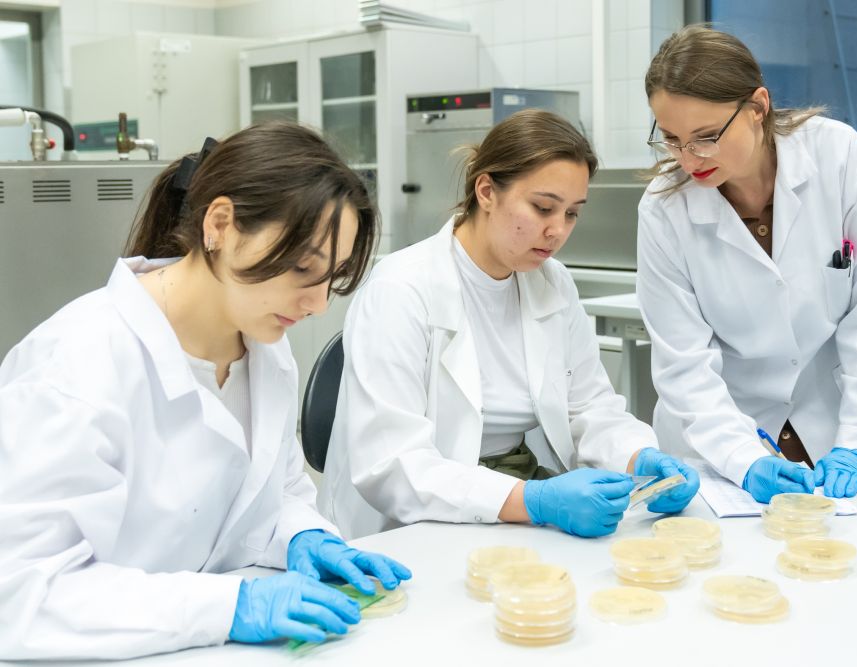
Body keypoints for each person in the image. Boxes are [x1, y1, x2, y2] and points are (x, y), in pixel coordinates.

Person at [0, 122, 411, 660]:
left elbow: (276, 492)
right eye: (302, 268)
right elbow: (24, 592)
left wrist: (302, 535)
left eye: (331, 278)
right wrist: (229, 606)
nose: (318, 305)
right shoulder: (76, 364)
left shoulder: (263, 347)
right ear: (220, 225)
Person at [318, 109, 700, 541]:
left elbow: (589, 406)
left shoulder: (551, 282)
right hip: (410, 523)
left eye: (572, 214)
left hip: (514, 496)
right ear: (486, 191)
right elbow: (392, 464)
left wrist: (638, 455)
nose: (557, 231)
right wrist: (535, 500)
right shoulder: (401, 290)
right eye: (543, 208)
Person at [637, 25, 857, 503]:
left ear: (758, 107)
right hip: (723, 439)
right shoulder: (664, 209)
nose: (689, 158)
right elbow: (684, 364)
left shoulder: (838, 158)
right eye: (671, 139)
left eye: (706, 137)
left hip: (836, 427)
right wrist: (743, 459)